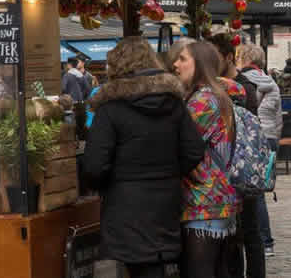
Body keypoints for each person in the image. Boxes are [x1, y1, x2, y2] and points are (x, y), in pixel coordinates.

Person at [81, 37, 205, 278]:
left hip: (123, 206)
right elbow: (194, 150)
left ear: (116, 66)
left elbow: (94, 166)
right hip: (165, 202)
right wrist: (169, 173)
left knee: (126, 266)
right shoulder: (173, 103)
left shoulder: (110, 108)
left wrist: (108, 184)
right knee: (155, 267)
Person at [173, 41, 240, 278]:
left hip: (203, 203)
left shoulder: (201, 101)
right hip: (219, 200)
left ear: (199, 64)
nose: (175, 64)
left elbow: (178, 145)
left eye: (182, 59)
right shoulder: (218, 96)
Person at [207, 35, 266, 277]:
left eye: (214, 58)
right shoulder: (210, 85)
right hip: (220, 170)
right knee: (231, 236)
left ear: (228, 57)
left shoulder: (243, 88)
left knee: (249, 231)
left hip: (241, 168)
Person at [238, 44, 283, 259]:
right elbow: (278, 117)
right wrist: (275, 139)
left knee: (252, 195)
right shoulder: (271, 83)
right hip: (271, 136)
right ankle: (267, 243)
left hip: (253, 137)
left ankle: (263, 241)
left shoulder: (241, 83)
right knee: (261, 192)